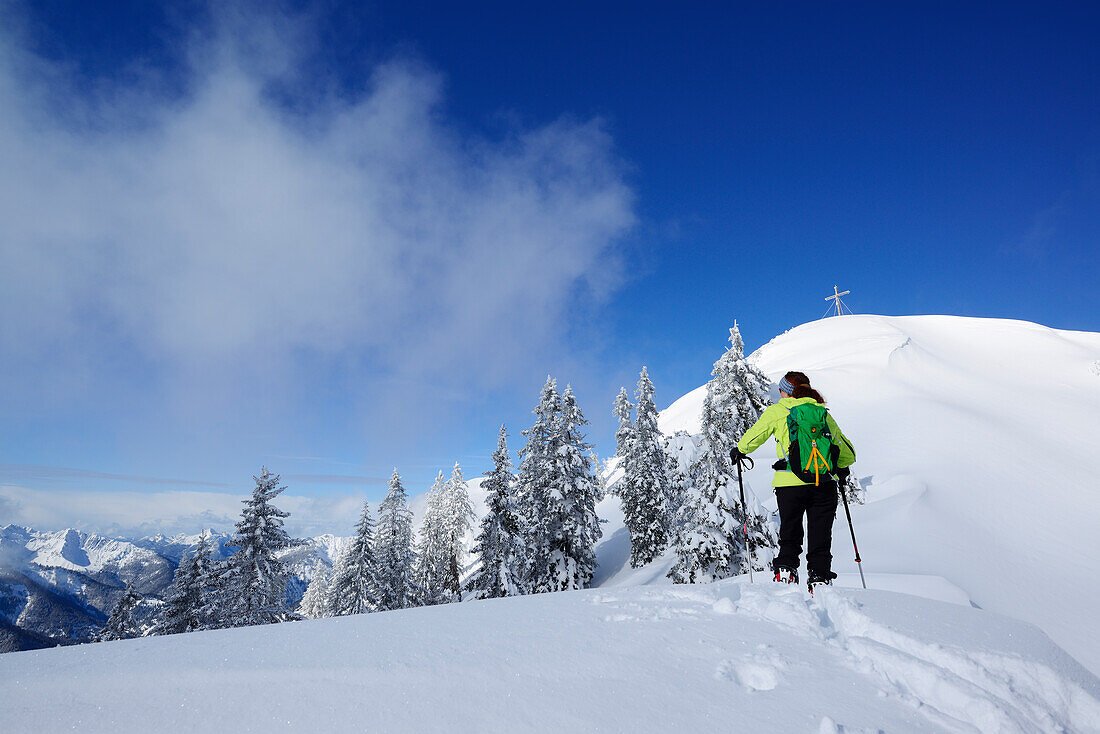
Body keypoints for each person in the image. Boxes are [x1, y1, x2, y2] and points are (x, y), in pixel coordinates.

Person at [731, 371, 855, 592]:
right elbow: (846, 451)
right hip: (823, 482)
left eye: (780, 391)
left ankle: (786, 570)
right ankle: (819, 577)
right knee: (821, 534)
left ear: (786, 392)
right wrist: (841, 466)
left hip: (789, 482)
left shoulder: (778, 411)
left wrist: (739, 450)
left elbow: (754, 437)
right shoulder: (821, 413)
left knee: (790, 530)